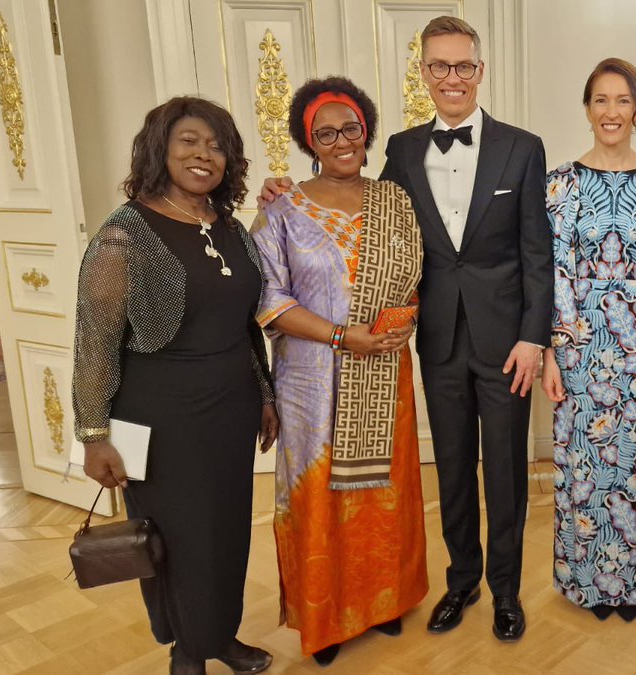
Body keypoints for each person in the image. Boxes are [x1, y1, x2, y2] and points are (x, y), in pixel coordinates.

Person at [263, 15, 553, 641]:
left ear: (481, 71)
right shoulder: (398, 149)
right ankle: (461, 581)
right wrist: (280, 189)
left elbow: (537, 253)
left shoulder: (522, 147)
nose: (452, 77)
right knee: (449, 467)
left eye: (464, 66)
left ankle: (506, 590)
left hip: (507, 343)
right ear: (423, 73)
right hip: (436, 340)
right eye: (439, 66)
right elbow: (360, 213)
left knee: (503, 470)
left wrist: (535, 338)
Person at [72, 96, 278, 675]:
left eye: (216, 146)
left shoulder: (229, 226)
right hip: (162, 419)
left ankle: (221, 635)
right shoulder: (125, 235)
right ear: (160, 147)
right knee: (178, 539)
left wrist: (264, 394)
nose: (203, 154)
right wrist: (93, 434)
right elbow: (95, 341)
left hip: (230, 409)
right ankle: (188, 650)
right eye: (189, 141)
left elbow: (245, 327)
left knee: (227, 532)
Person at [250, 77, 427, 666]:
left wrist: (405, 320)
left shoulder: (394, 201)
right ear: (310, 141)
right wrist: (340, 336)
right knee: (320, 498)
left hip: (383, 373)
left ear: (366, 130)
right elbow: (268, 301)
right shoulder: (282, 208)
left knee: (385, 491)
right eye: (324, 133)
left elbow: (415, 279)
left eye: (350, 128)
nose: (340, 141)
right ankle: (325, 621)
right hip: (310, 384)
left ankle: (385, 603)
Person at [540, 58, 636, 623]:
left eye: (622, 100)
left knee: (634, 465)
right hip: (576, 348)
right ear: (587, 107)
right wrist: (550, 350)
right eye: (601, 100)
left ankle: (634, 584)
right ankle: (588, 583)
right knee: (582, 467)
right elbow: (549, 271)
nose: (611, 111)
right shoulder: (558, 185)